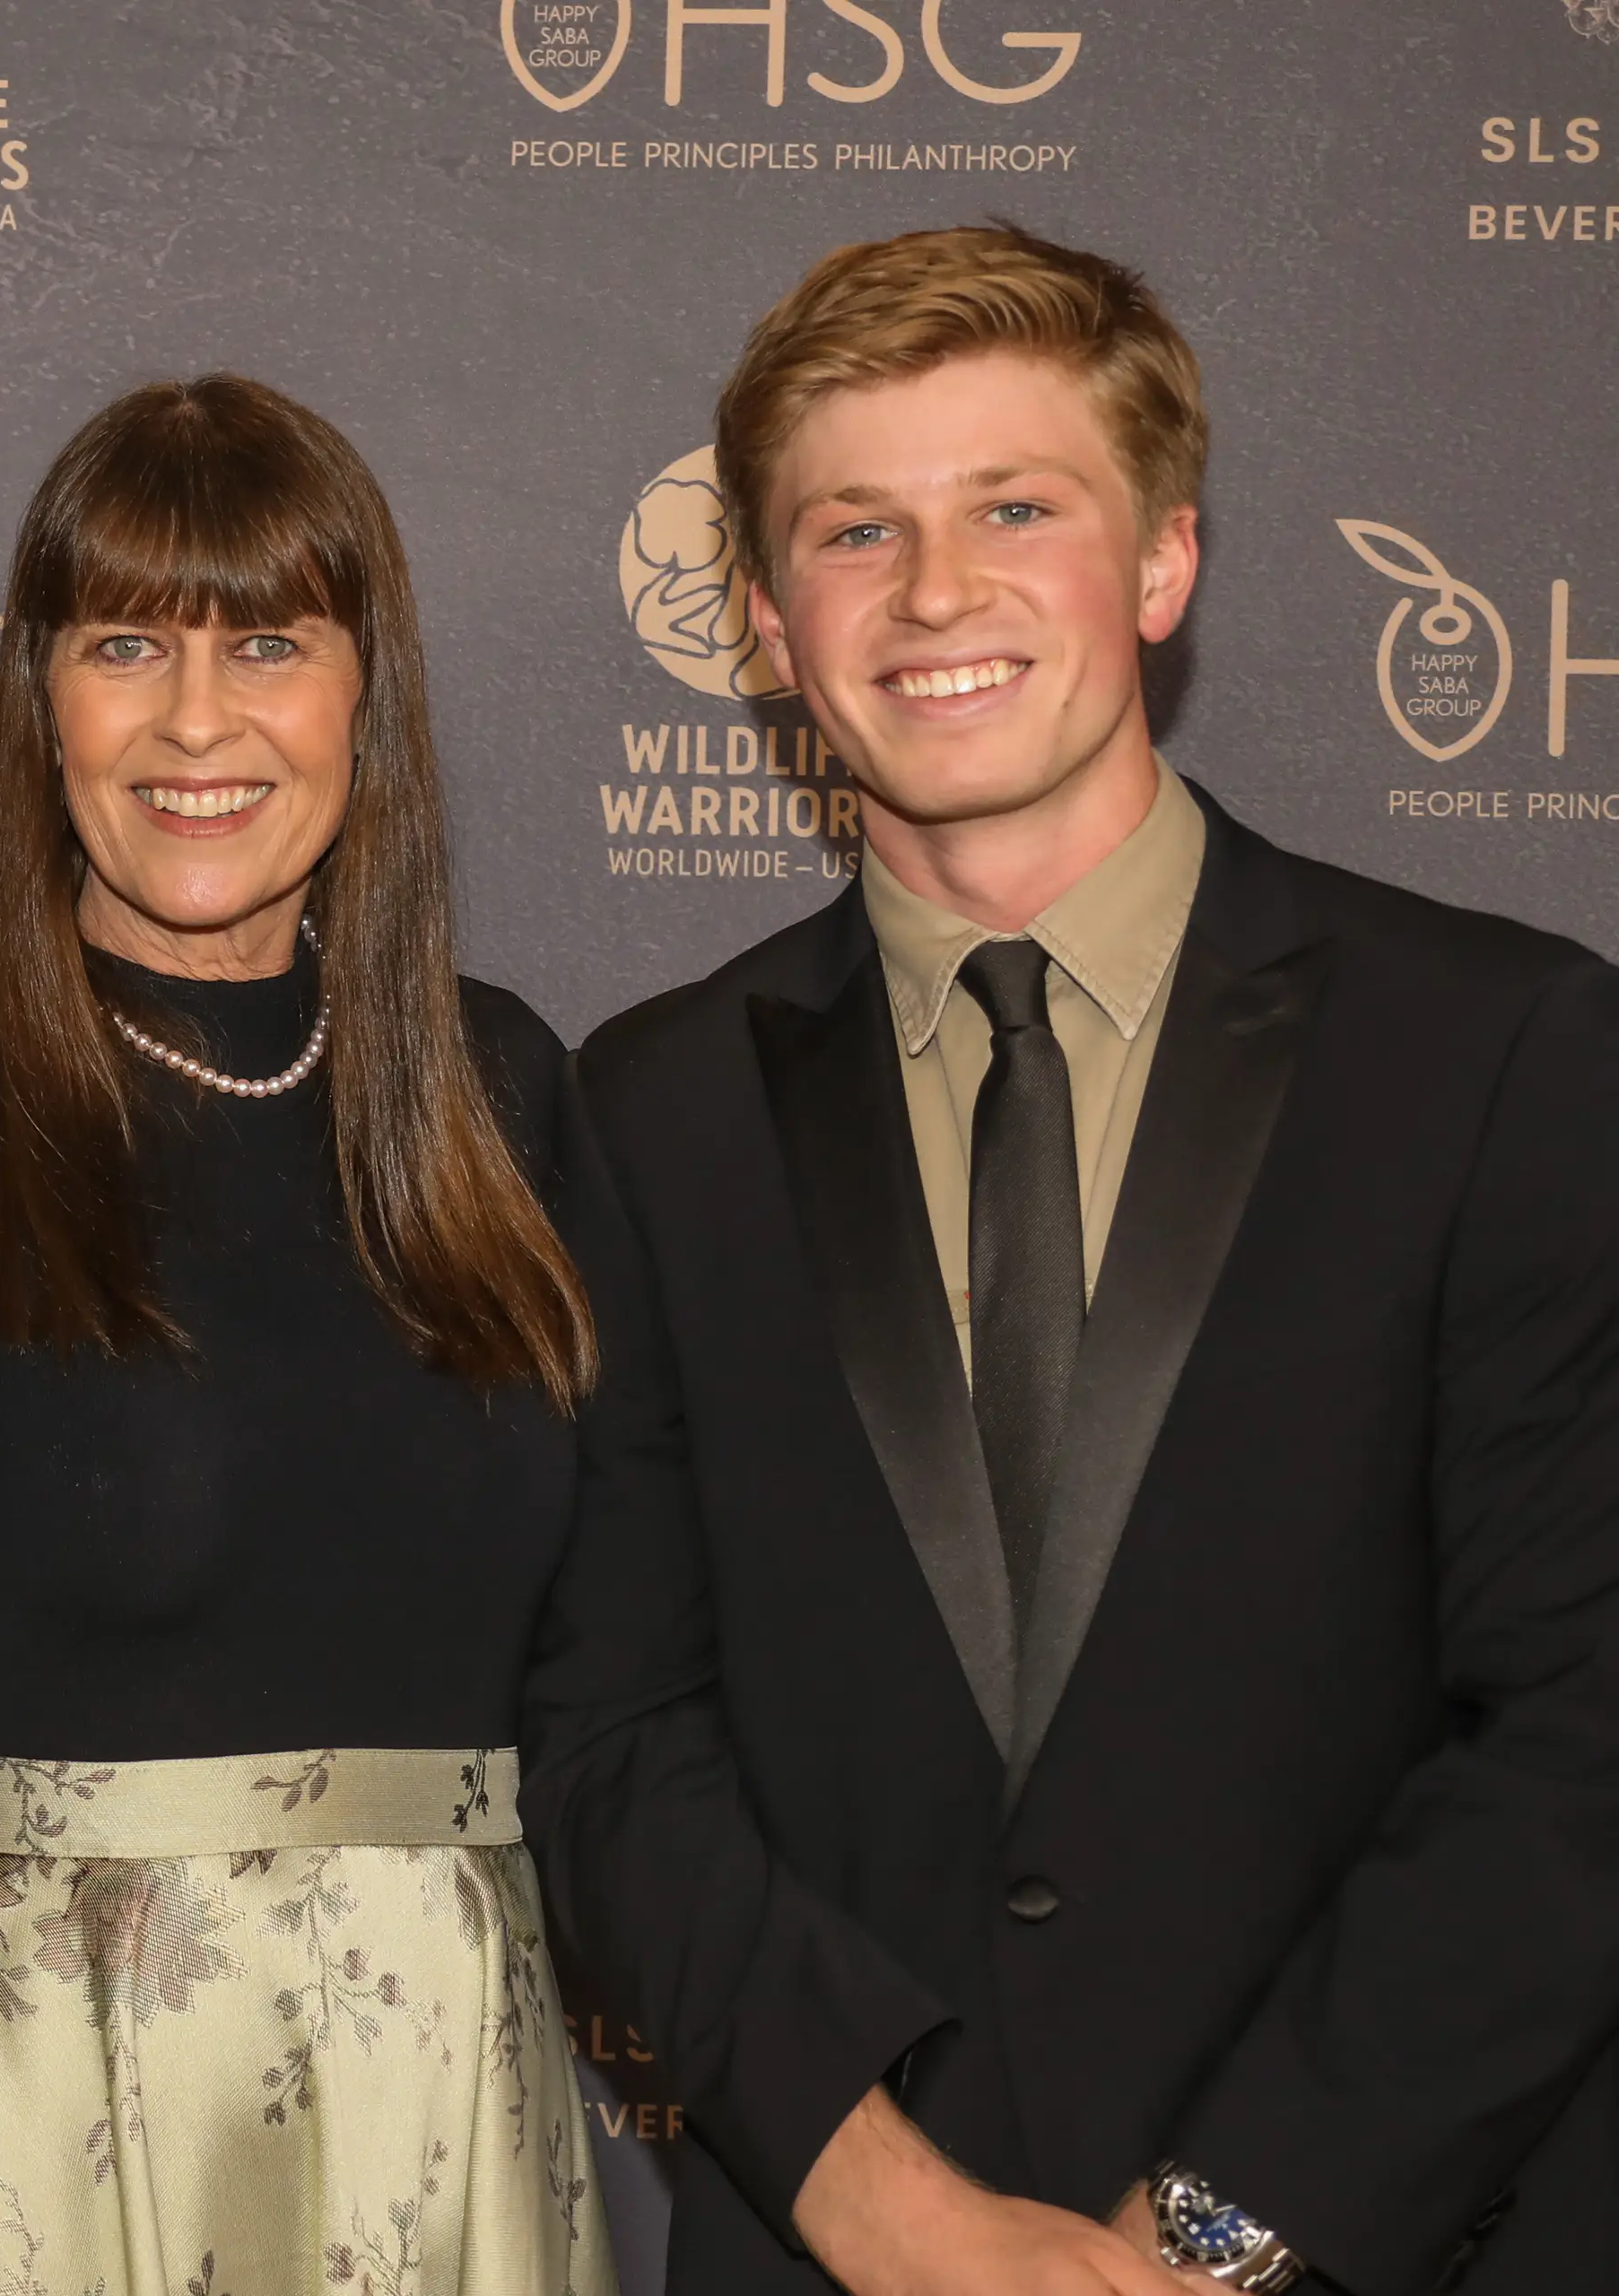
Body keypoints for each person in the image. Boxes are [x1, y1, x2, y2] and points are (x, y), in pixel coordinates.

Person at [527, 224, 1619, 2296]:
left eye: (1014, 506)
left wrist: (1219, 2232)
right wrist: (898, 2213)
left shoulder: (1499, 1048)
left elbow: (1584, 1728)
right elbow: (612, 1738)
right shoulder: (651, 1108)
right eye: (858, 530)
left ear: (1163, 564)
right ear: (765, 620)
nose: (937, 591)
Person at [0, 375, 620, 2296]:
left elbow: (624, 1696)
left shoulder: (506, 1101)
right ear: (39, 703)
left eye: (268, 640)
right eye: (123, 646)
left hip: (447, 2147)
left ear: (364, 694)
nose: (197, 721)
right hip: (16, 2150)